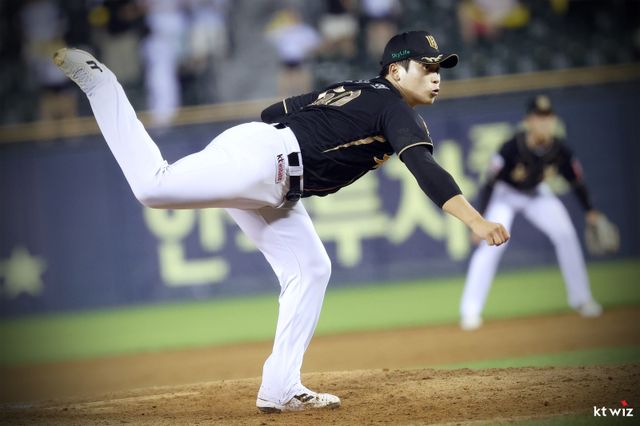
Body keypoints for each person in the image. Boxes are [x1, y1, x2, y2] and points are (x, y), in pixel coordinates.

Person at [53, 30, 509, 412]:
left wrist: (328, 124)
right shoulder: (393, 108)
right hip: (264, 165)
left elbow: (275, 112)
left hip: (271, 172)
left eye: (439, 68)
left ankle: (280, 388)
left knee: (311, 269)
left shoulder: (357, 89)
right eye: (426, 67)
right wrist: (475, 221)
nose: (436, 76)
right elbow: (425, 168)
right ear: (395, 71)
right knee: (153, 187)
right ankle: (101, 82)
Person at [459, 95, 603, 331]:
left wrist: (590, 211)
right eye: (538, 117)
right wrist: (479, 220)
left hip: (537, 194)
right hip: (505, 195)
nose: (544, 122)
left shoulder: (560, 150)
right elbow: (489, 183)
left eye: (548, 117)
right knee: (492, 244)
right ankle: (470, 311)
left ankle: (582, 299)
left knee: (565, 234)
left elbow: (576, 182)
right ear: (528, 121)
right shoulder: (512, 147)